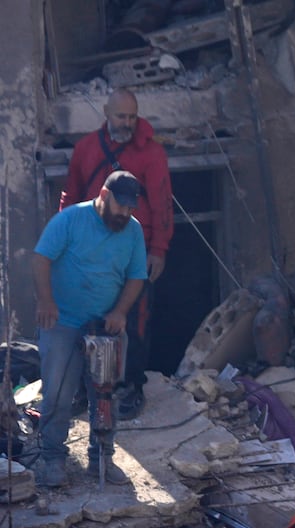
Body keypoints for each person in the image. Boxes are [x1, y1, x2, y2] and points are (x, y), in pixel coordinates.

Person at [58, 89, 173, 421]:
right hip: (91, 251)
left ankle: (131, 386)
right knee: (85, 319)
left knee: (135, 322)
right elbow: (72, 196)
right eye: (121, 116)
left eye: (132, 117)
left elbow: (163, 203)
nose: (127, 123)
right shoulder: (86, 149)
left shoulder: (151, 153)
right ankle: (84, 387)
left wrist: (159, 250)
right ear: (107, 114)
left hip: (134, 250)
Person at [30, 171, 149, 488]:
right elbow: (41, 258)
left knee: (105, 397)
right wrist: (46, 301)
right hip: (62, 322)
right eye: (121, 206)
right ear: (104, 195)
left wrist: (120, 311)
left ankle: (102, 458)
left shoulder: (133, 231)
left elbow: (137, 275)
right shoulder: (70, 220)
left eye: (130, 208)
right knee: (57, 393)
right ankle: (53, 458)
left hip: (104, 327)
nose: (125, 213)